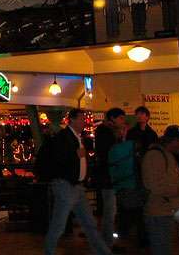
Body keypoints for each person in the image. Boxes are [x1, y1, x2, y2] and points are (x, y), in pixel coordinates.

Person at [43, 108, 112, 255]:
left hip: (77, 186)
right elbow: (58, 159)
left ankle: (103, 252)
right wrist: (75, 155)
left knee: (89, 223)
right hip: (66, 185)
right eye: (81, 119)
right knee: (59, 224)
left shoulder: (77, 137)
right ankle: (49, 251)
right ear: (72, 120)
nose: (84, 122)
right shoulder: (64, 137)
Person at [141, 125, 179, 255]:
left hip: (166, 210)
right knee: (162, 249)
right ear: (171, 141)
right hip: (158, 213)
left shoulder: (167, 155)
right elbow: (156, 187)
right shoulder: (155, 156)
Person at [94, 108, 127, 251]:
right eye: (121, 118)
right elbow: (111, 153)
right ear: (113, 118)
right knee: (110, 210)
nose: (123, 122)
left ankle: (106, 240)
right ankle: (107, 242)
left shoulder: (106, 131)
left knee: (110, 209)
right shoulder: (105, 132)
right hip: (108, 177)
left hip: (110, 177)